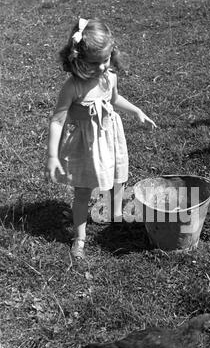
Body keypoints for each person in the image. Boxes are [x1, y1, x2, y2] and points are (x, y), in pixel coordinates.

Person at [45, 17, 156, 259]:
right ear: (77, 61)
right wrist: (52, 155)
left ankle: (115, 216)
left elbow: (114, 99)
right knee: (83, 191)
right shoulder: (72, 87)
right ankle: (80, 237)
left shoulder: (109, 76)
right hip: (85, 145)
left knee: (117, 178)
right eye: (95, 63)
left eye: (106, 60)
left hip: (109, 137)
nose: (103, 67)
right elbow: (57, 120)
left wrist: (136, 111)